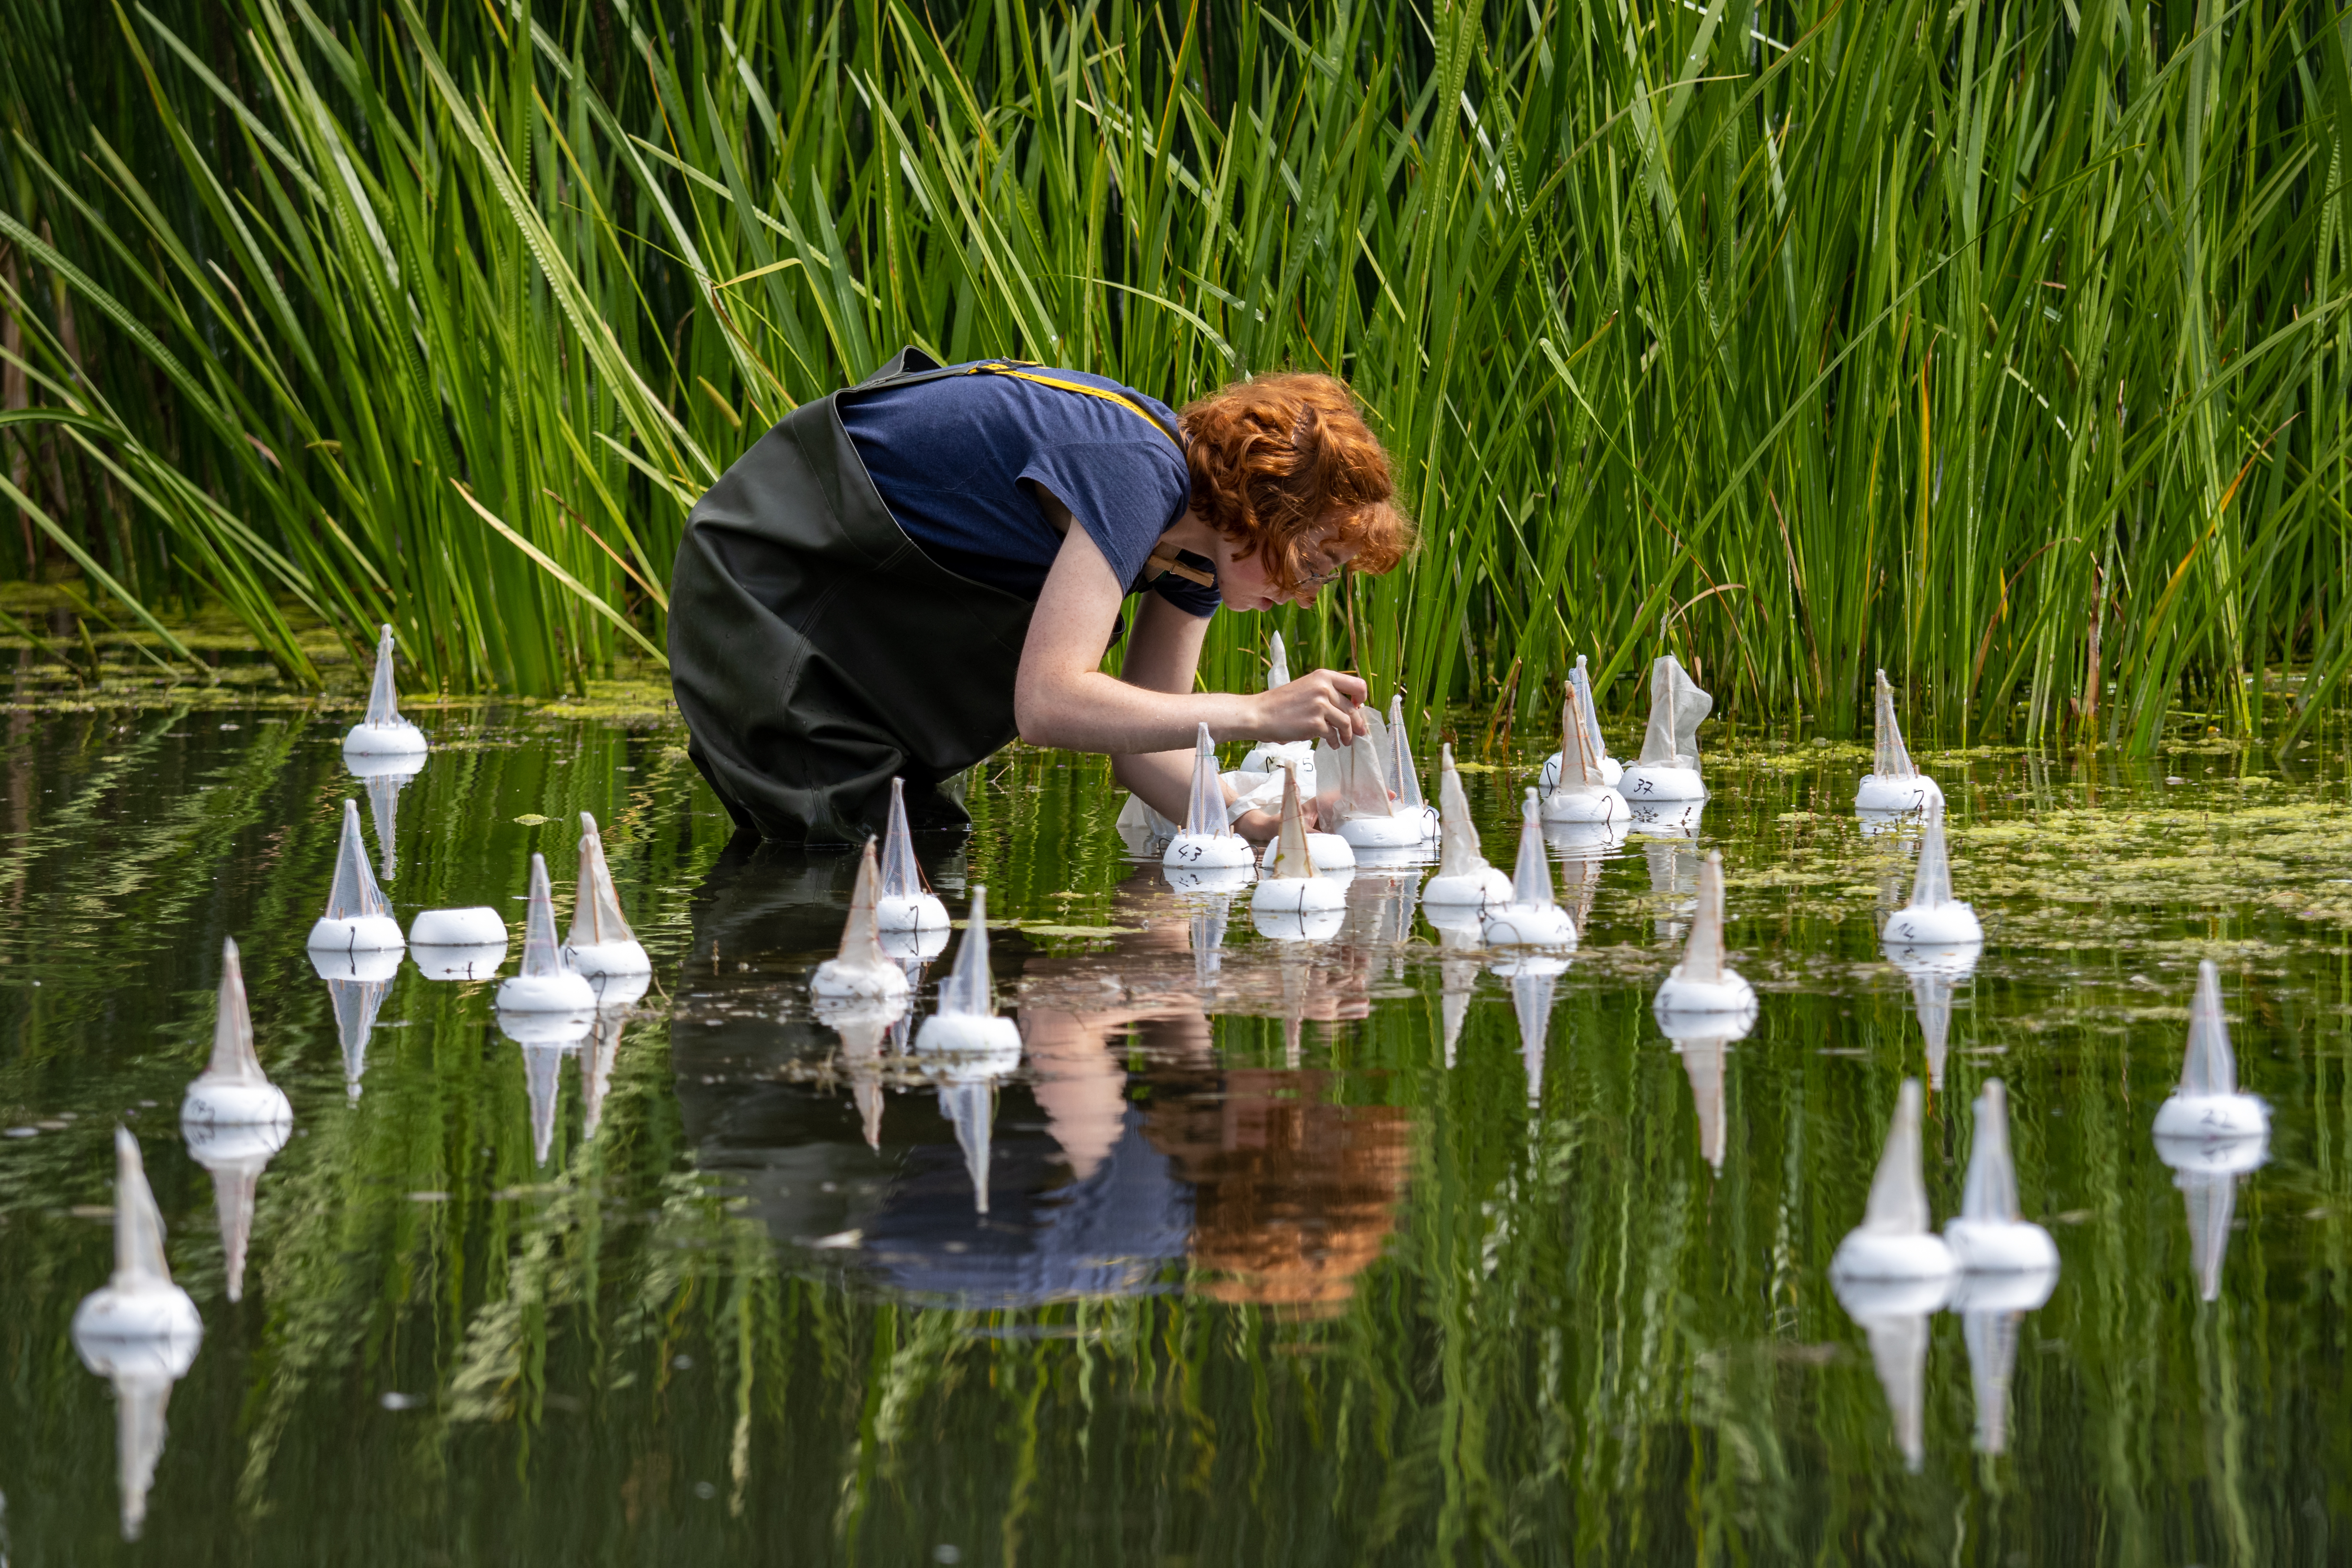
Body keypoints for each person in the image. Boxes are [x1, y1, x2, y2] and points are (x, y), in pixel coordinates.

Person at [668, 347, 1413, 843]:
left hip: (855, 632)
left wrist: (1254, 822)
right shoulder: (1138, 469)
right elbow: (1050, 704)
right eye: (1313, 562)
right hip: (764, 584)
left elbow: (1144, 757)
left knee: (919, 840)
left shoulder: (1194, 561)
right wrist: (1258, 714)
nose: (1309, 593)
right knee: (852, 860)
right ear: (1258, 509)